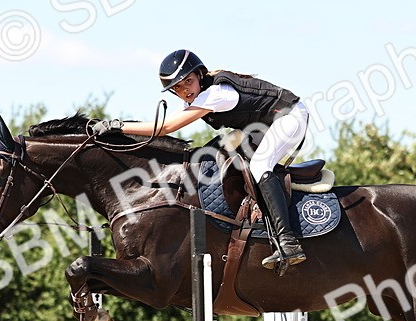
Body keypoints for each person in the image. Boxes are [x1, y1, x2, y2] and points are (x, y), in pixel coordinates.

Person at [112, 49, 309, 270]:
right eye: (177, 87)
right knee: (218, 151)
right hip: (263, 125)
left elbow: (165, 127)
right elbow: (166, 127)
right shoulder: (197, 97)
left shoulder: (215, 94)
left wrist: (118, 126)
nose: (184, 90)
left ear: (200, 75)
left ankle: (288, 242)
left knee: (260, 165)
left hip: (289, 116)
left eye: (188, 81)